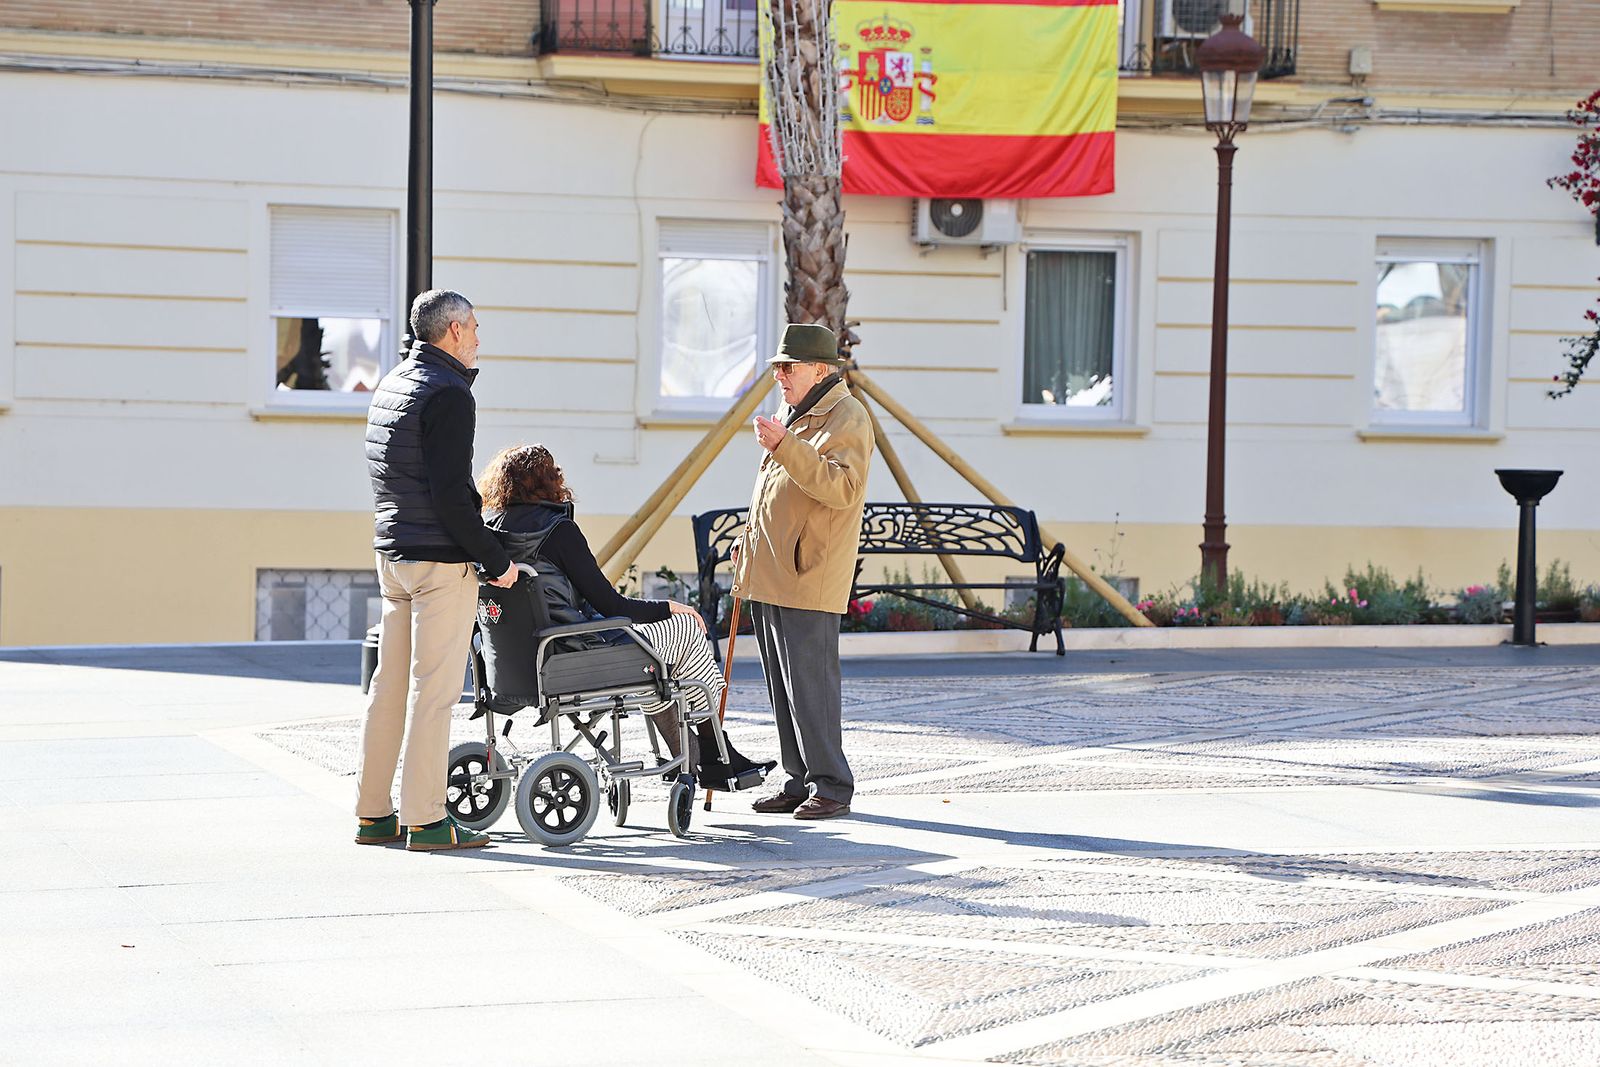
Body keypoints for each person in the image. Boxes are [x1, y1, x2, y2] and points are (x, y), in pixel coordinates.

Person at [478, 444, 773, 786]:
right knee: (685, 631)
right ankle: (714, 749)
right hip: (572, 651)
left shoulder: (489, 533)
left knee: (658, 665)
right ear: (549, 481)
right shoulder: (557, 531)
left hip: (515, 662)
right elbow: (611, 605)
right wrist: (669, 607)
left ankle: (692, 755)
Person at [355, 289, 517, 852]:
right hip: (437, 564)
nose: (478, 336)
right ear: (451, 332)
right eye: (472, 326)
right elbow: (452, 496)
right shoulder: (448, 393)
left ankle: (373, 814)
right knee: (435, 693)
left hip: (393, 555)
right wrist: (496, 561)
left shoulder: (393, 384)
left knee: (388, 688)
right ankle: (426, 820)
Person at [732, 323, 872, 820]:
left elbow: (841, 489)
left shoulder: (848, 416)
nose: (780, 376)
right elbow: (775, 498)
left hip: (808, 573)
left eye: (788, 367)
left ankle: (832, 785)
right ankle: (799, 779)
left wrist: (785, 447)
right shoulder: (798, 414)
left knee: (810, 685)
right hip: (773, 570)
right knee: (782, 685)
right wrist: (746, 544)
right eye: (776, 368)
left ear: (820, 369)